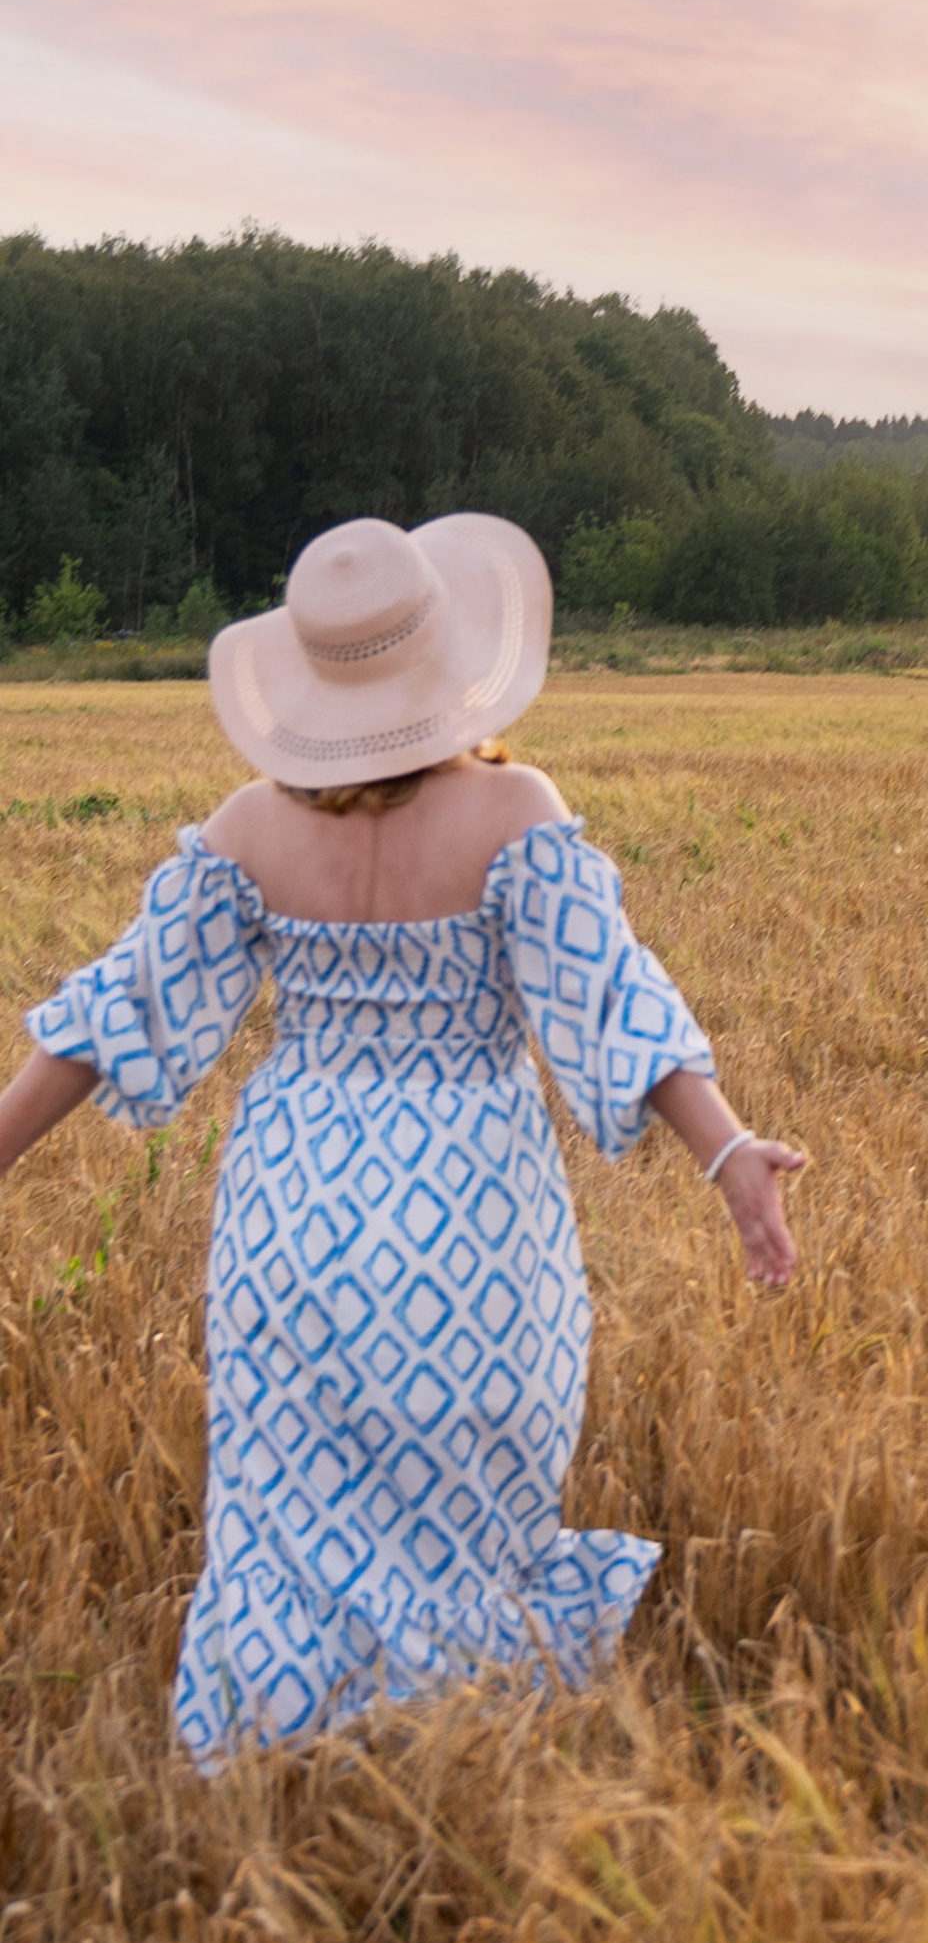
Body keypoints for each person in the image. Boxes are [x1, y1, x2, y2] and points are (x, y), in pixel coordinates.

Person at [0, 511, 804, 1763]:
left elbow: (117, 1010)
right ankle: (450, 1721)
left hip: (294, 1206)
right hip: (466, 1214)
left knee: (286, 1506)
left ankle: (267, 1727)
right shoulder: (512, 811)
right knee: (462, 1492)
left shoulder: (250, 830)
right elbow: (613, 1001)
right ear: (453, 662)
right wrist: (726, 1151)